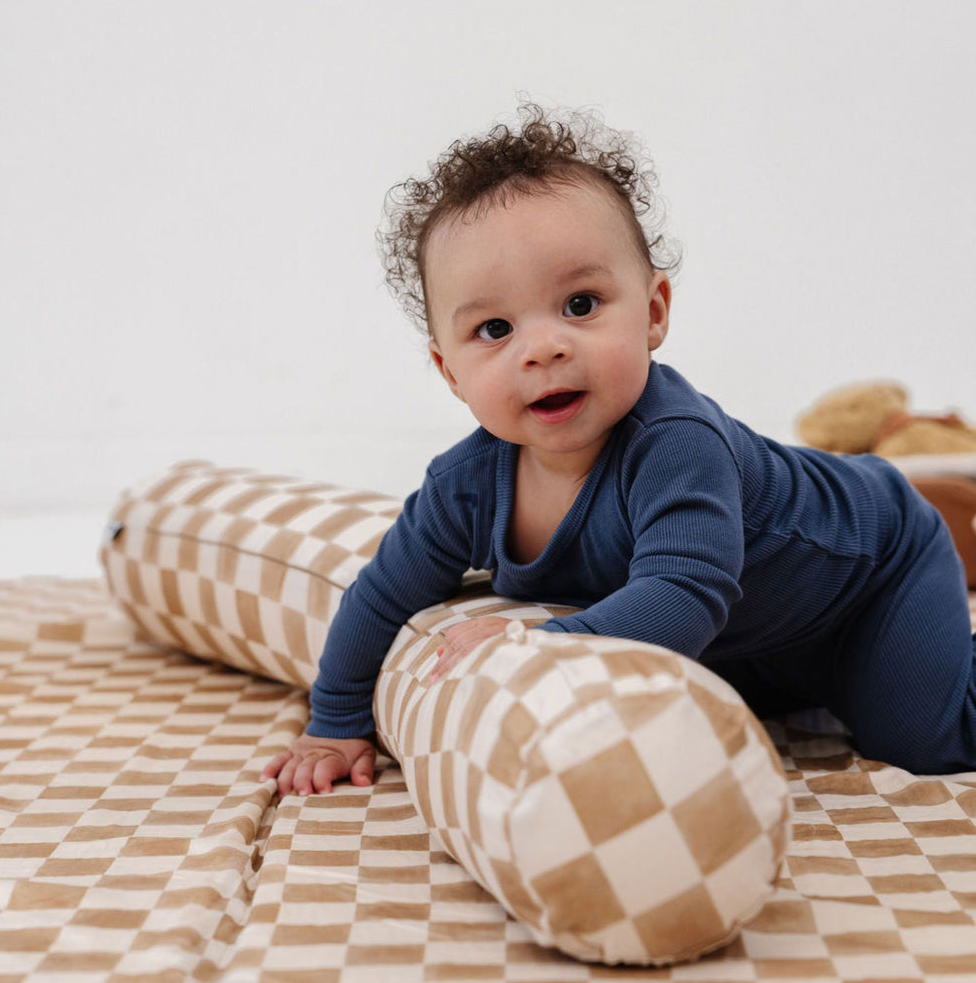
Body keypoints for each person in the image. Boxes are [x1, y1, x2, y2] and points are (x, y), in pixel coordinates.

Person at [261, 103, 976, 796]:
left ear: (654, 312)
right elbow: (381, 597)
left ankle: (930, 602)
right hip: (760, 631)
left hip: (873, 570)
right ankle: (824, 680)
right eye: (495, 328)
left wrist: (535, 644)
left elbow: (684, 596)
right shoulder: (466, 487)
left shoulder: (674, 445)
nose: (543, 347)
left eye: (579, 305)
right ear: (450, 371)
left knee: (925, 741)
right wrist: (335, 721)